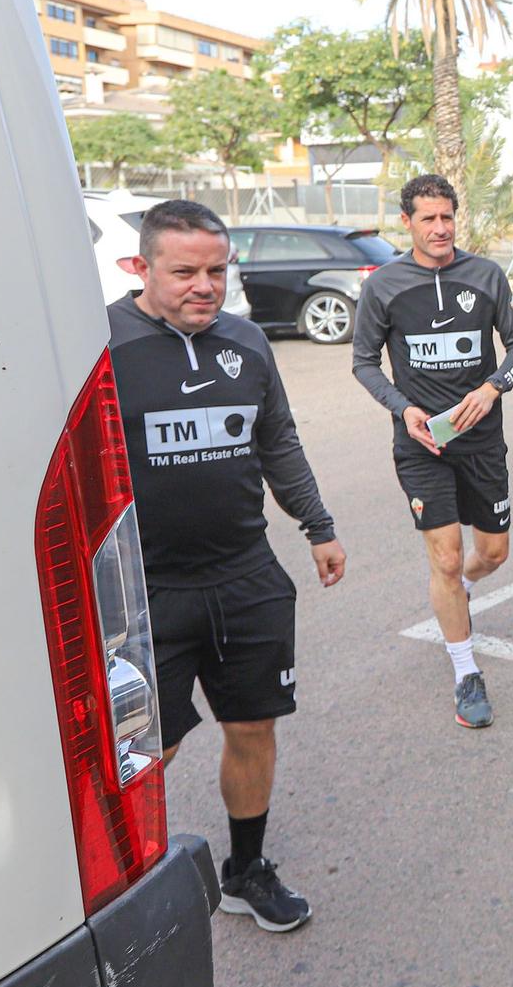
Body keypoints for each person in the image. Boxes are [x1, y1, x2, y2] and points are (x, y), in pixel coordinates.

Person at [108, 199, 346, 933]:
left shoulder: (246, 344)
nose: (204, 285)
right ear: (139, 268)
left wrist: (319, 526)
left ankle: (246, 870)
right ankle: (117, 891)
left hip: (245, 578)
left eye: (216, 269)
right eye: (184, 272)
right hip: (146, 592)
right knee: (149, 748)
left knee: (252, 727)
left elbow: (278, 443)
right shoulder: (102, 347)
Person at [352, 174, 513, 730]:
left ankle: (461, 591)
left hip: (480, 441)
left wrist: (491, 387)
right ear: (406, 222)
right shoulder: (383, 285)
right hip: (421, 444)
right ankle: (465, 672)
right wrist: (403, 409)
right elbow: (363, 362)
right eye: (427, 219)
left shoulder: (486, 275)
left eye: (446, 217)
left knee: (493, 553)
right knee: (447, 559)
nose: (439, 228)